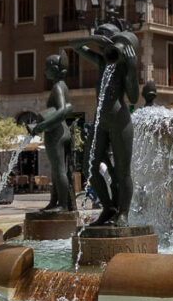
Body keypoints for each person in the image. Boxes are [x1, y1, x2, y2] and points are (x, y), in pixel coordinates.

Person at [71, 25, 140, 227]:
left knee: (122, 171)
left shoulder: (124, 65)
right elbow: (75, 47)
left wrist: (132, 65)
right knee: (88, 167)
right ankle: (108, 207)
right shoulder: (102, 61)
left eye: (104, 35)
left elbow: (134, 97)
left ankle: (123, 214)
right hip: (100, 122)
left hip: (120, 121)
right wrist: (94, 39)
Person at [29, 53, 75, 213]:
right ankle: (54, 202)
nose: (44, 71)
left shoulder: (57, 87)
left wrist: (42, 126)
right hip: (61, 130)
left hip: (56, 132)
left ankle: (62, 205)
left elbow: (63, 110)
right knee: (57, 170)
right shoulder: (63, 86)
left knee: (58, 170)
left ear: (54, 69)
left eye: (47, 67)